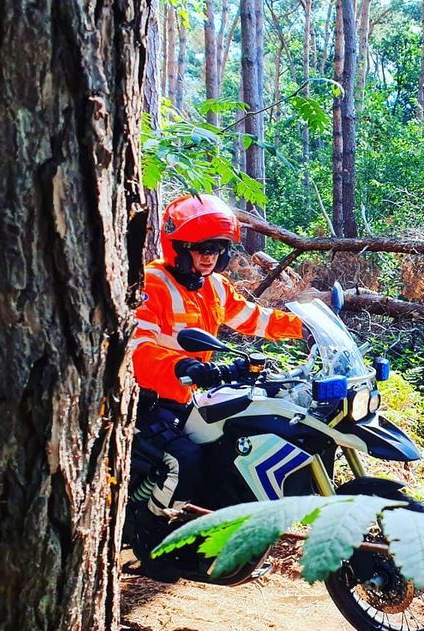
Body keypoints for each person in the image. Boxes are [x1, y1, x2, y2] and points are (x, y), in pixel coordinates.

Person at [127, 193, 304, 578]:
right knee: (184, 461)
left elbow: (253, 318)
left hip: (190, 395)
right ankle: (149, 540)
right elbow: (138, 350)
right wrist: (183, 365)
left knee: (229, 448)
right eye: (199, 248)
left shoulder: (215, 286)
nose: (208, 256)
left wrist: (303, 325)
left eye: (217, 248)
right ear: (178, 247)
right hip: (151, 399)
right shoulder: (153, 282)